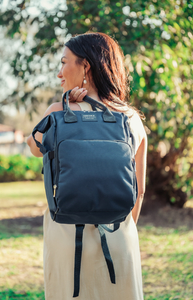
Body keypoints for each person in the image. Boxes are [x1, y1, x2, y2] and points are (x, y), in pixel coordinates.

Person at [27, 32, 147, 300]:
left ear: (85, 66)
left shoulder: (58, 112)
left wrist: (66, 108)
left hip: (67, 236)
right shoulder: (130, 118)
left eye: (63, 62)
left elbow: (34, 146)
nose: (60, 72)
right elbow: (138, 190)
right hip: (119, 233)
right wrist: (123, 230)